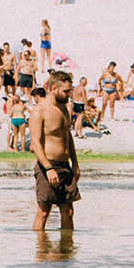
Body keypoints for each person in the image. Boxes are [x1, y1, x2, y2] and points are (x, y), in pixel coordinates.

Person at [31, 71, 80, 231]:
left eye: (70, 90)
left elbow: (68, 137)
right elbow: (36, 144)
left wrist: (75, 163)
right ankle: (40, 251)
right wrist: (49, 169)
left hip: (65, 165)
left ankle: (67, 251)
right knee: (44, 212)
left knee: (68, 211)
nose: (69, 94)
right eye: (66, 91)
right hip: (48, 166)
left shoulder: (65, 108)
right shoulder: (40, 111)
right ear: (53, 88)